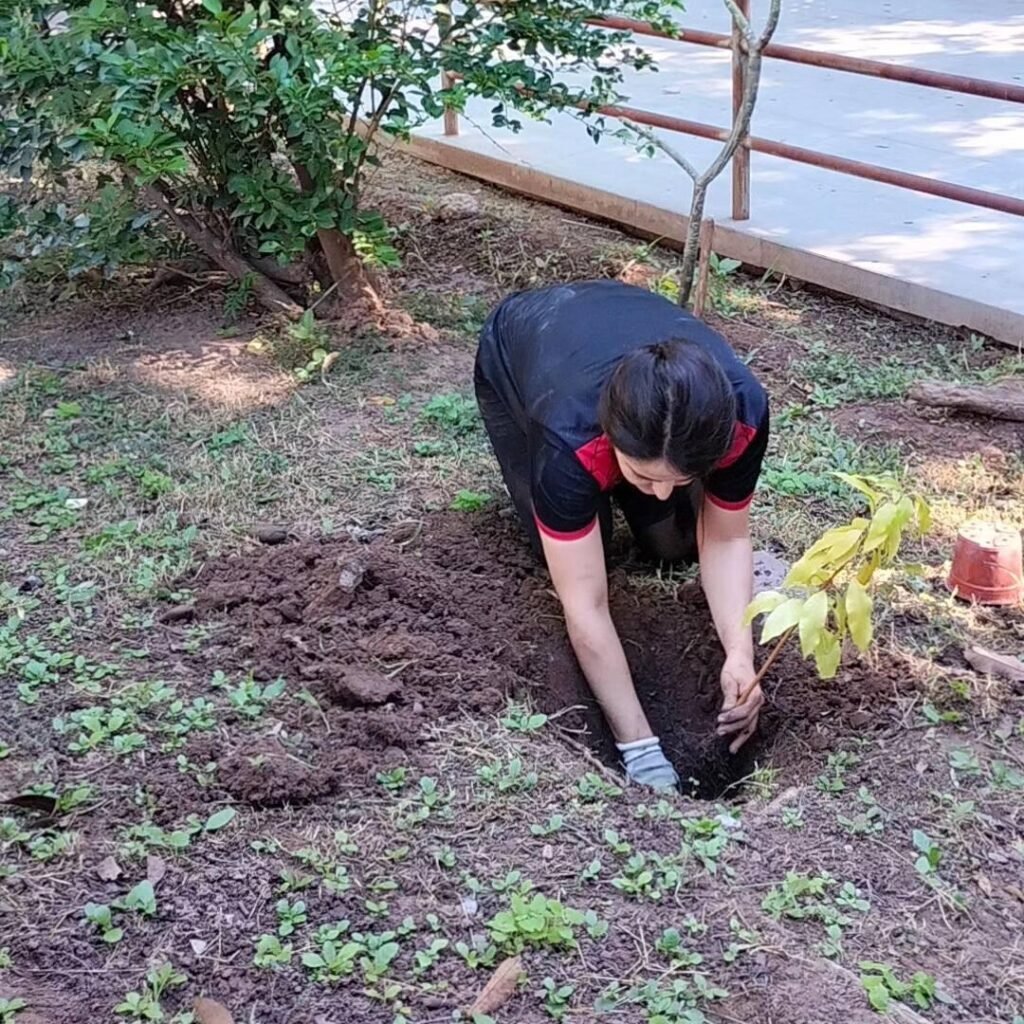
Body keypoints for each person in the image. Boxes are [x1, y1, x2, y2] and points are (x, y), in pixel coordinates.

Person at [474, 279, 769, 790]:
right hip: (522, 346)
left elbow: (725, 539)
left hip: (624, 334)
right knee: (578, 560)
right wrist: (639, 747)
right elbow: (585, 606)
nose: (662, 493)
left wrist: (740, 654)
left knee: (673, 546)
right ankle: (617, 484)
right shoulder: (566, 435)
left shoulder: (741, 412)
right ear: (610, 437)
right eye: (644, 476)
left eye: (678, 480)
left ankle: (645, 478)